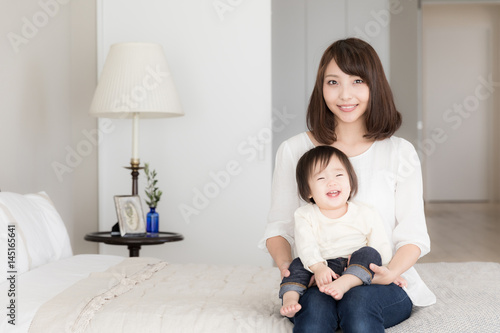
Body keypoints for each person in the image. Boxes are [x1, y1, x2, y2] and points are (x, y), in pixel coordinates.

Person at [259, 38, 436, 332]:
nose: (345, 94)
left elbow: (412, 235)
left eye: (357, 81)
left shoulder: (399, 152)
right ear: (321, 87)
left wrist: (389, 272)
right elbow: (279, 228)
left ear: (374, 85)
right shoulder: (294, 150)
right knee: (313, 315)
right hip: (319, 280)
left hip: (380, 279)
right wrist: (291, 272)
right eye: (333, 82)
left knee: (359, 306)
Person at [279, 145, 406, 318]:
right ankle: (290, 300)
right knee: (297, 264)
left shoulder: (365, 212)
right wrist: (318, 268)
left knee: (369, 253)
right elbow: (305, 245)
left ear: (350, 181)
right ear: (308, 190)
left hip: (353, 264)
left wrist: (388, 272)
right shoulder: (304, 214)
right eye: (321, 178)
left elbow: (380, 243)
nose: (332, 182)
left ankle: (344, 283)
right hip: (321, 267)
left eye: (339, 175)